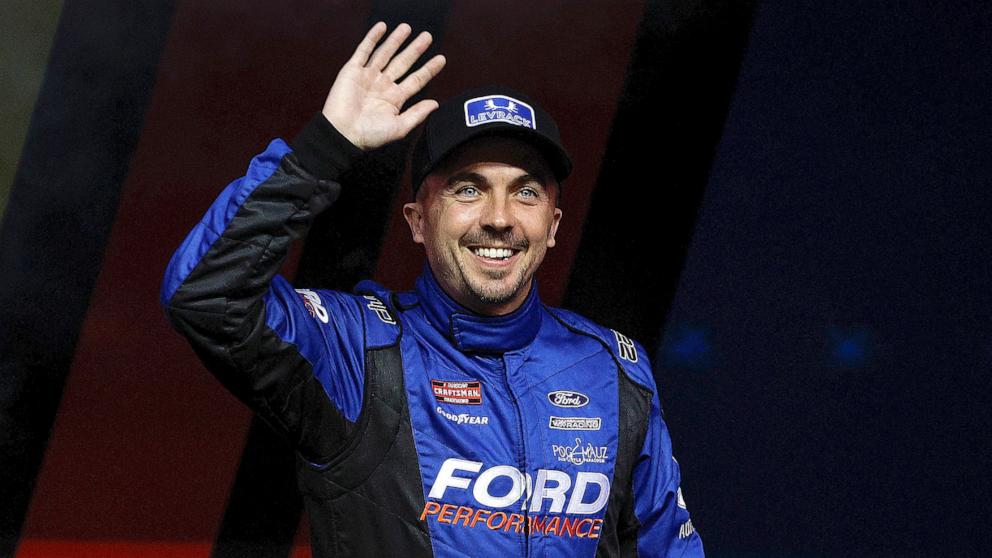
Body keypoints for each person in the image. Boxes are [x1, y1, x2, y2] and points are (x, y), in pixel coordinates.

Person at [161, 21, 703, 558]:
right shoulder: (355, 353)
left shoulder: (612, 368)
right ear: (418, 220)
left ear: (555, 225)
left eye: (526, 192)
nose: (499, 218)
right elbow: (205, 292)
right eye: (469, 189)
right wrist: (323, 149)